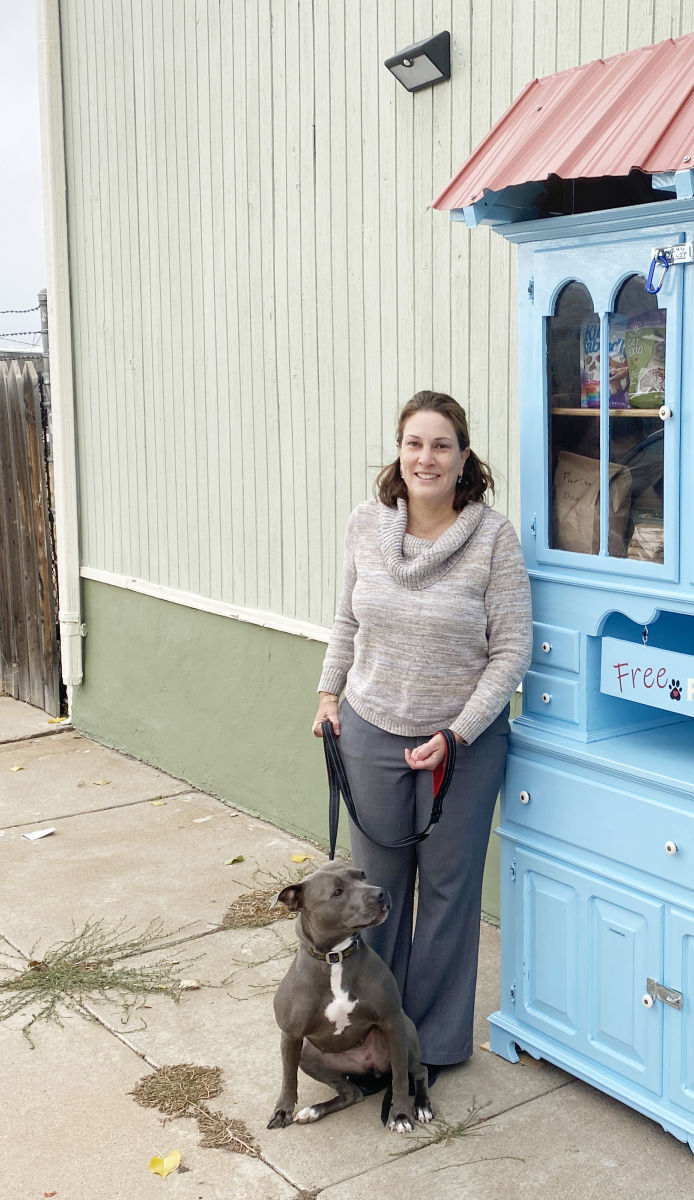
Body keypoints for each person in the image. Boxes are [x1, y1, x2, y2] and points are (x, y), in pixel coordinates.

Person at [312, 390, 531, 1084]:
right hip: (371, 730)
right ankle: (372, 1032)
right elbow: (348, 620)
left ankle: (427, 1049)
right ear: (398, 451)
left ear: (463, 457)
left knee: (445, 895)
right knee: (373, 896)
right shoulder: (365, 525)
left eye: (441, 444)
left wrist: (460, 732)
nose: (426, 457)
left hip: (460, 748)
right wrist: (327, 694)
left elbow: (512, 649)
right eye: (414, 442)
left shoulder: (493, 538)